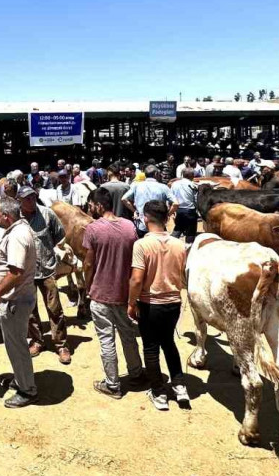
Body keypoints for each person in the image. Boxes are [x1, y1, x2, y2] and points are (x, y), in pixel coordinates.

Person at [128, 200, 190, 410]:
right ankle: (180, 387)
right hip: (173, 303)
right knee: (169, 344)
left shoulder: (142, 244)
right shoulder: (179, 244)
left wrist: (131, 303)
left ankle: (159, 392)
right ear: (167, 218)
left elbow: (136, 279)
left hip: (150, 303)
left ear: (146, 218)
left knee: (151, 348)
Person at [83, 188, 145, 399]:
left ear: (100, 205)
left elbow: (89, 263)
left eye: (91, 205)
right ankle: (137, 373)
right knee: (128, 336)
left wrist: (87, 286)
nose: (89, 209)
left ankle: (112, 384)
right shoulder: (129, 226)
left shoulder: (92, 229)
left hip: (101, 293)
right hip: (125, 293)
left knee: (106, 340)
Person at [0, 196, 38, 408]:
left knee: (17, 345)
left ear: (7, 215)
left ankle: (27, 390)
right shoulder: (16, 230)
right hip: (17, 298)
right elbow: (5, 263)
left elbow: (15, 271)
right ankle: (22, 379)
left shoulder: (18, 236)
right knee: (15, 343)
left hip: (16, 300)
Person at [18, 187, 72, 364]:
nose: (31, 201)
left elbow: (59, 236)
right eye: (27, 198)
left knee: (55, 308)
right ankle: (37, 341)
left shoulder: (47, 214)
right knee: (30, 310)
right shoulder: (15, 218)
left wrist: (50, 254)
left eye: (33, 197)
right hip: (25, 272)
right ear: (20, 200)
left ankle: (61, 345)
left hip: (47, 270)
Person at [121, 167, 174, 235]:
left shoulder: (136, 186)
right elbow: (176, 203)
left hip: (141, 224)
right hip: (159, 225)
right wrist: (167, 215)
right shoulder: (163, 187)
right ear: (156, 174)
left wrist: (135, 211)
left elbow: (124, 199)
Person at [169, 168, 198, 242]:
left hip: (178, 210)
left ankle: (170, 245)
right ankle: (188, 249)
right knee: (190, 233)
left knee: (178, 229)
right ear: (192, 175)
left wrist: (172, 210)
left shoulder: (174, 184)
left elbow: (171, 198)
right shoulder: (193, 185)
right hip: (190, 211)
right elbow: (196, 199)